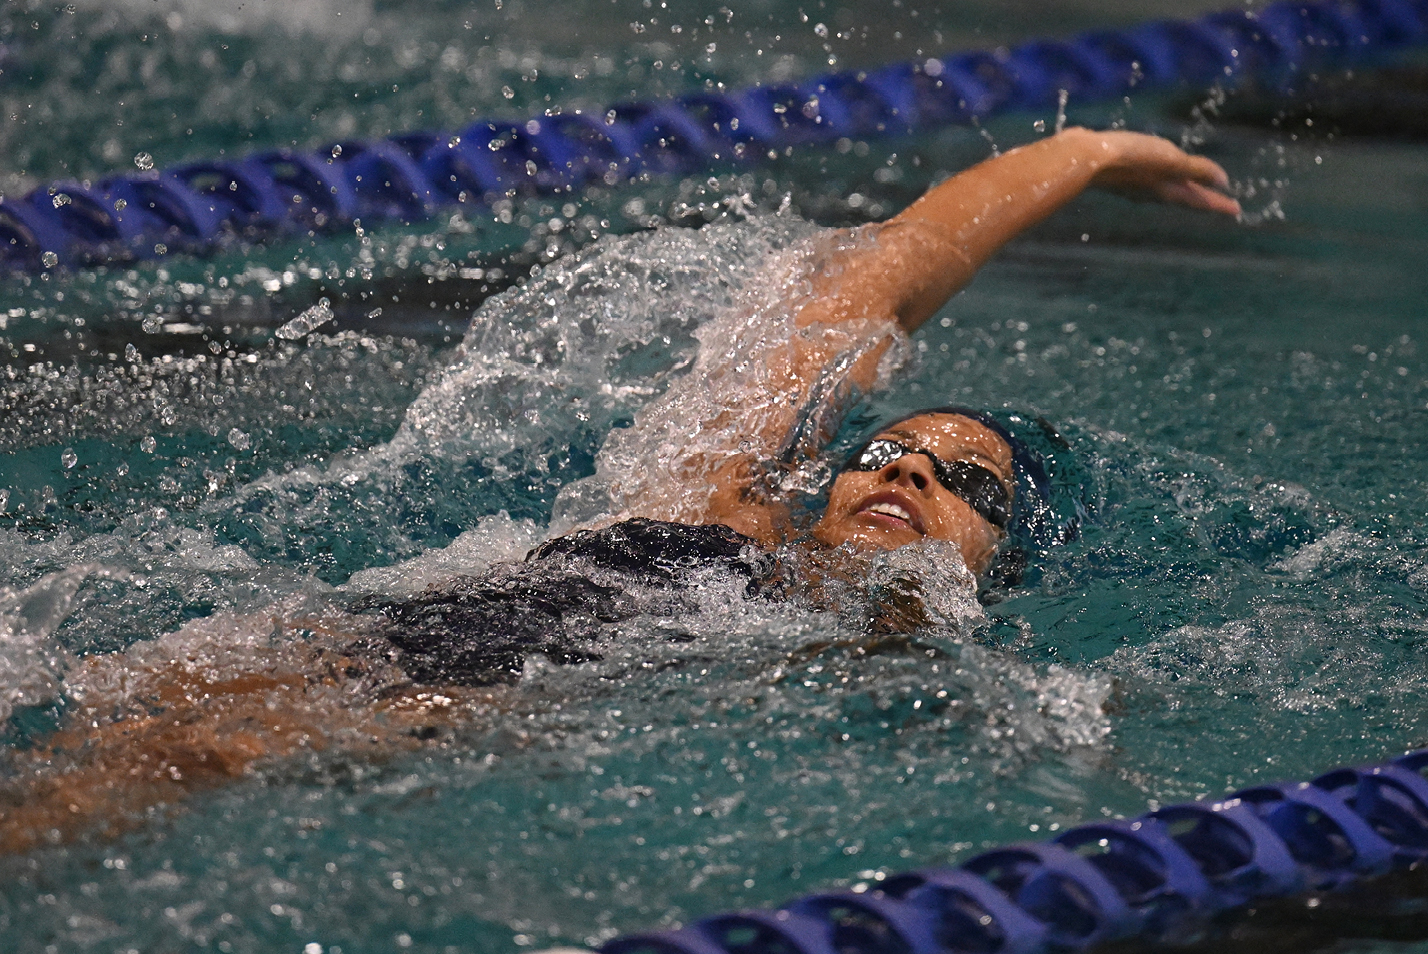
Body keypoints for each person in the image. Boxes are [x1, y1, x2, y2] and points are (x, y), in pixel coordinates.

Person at [0, 127, 1239, 852]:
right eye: (887, 450)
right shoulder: (720, 507)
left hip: (432, 724)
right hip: (343, 656)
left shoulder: (931, 671)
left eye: (965, 480)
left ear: (996, 563)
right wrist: (1082, 150)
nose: (907, 465)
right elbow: (865, 289)